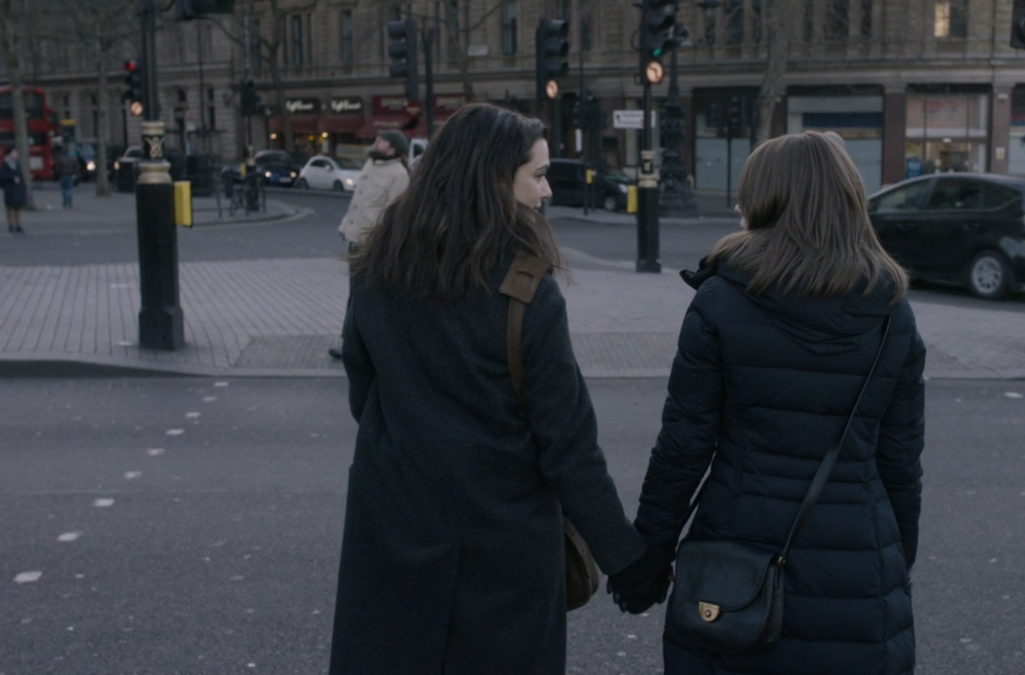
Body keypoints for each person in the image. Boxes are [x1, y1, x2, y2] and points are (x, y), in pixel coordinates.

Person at [328, 103, 652, 674]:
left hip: (394, 528)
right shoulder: (526, 291)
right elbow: (568, 446)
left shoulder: (373, 267)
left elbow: (364, 390)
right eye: (539, 174)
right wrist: (626, 560)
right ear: (495, 178)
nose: (546, 192)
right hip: (503, 546)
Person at [620, 132, 927, 674]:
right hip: (858, 563)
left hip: (737, 566)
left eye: (747, 193)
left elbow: (683, 449)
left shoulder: (721, 301)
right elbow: (899, 462)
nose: (738, 205)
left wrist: (645, 563)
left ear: (768, 201)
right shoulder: (892, 314)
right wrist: (893, 562)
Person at [328, 131, 412, 360]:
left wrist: (383, 244)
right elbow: (357, 202)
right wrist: (345, 227)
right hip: (355, 239)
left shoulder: (399, 174)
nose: (376, 141)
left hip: (373, 244)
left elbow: (394, 215)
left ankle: (360, 345)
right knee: (356, 293)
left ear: (393, 149)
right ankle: (353, 343)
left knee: (365, 294)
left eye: (382, 140)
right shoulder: (370, 165)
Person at [0, 147, 28, 234]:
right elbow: (2, 177)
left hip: (17, 189)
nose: (16, 154)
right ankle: (11, 225)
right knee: (10, 208)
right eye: (14, 152)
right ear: (10, 154)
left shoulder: (17, 164)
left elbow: (21, 176)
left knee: (17, 208)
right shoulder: (5, 165)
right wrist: (12, 178)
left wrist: (23, 186)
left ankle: (18, 225)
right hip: (9, 189)